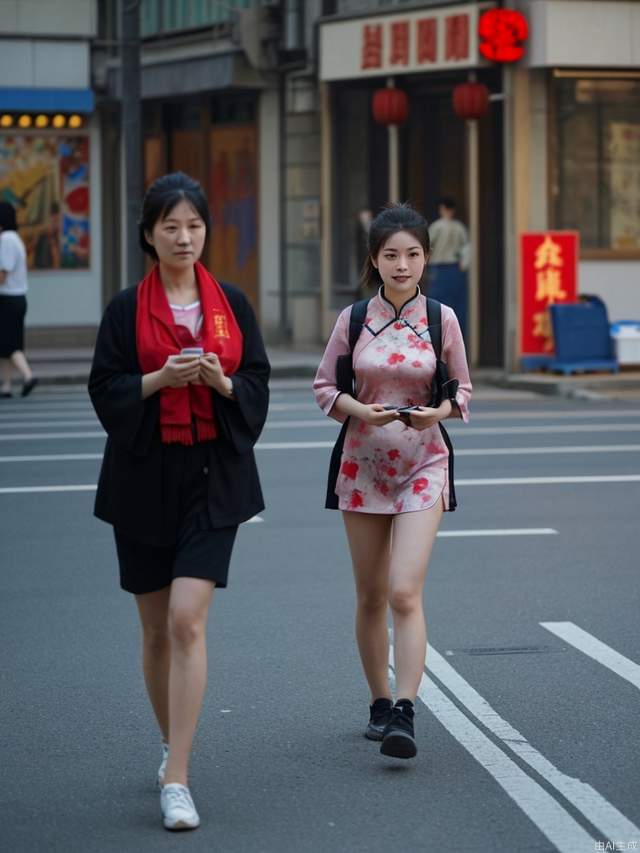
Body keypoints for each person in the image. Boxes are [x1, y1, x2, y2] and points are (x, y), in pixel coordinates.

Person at [88, 172, 270, 831]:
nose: (184, 236)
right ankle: (171, 744)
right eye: (171, 226)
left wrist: (223, 383)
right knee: (156, 626)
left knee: (189, 620)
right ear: (149, 234)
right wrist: (159, 379)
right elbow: (105, 387)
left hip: (213, 476)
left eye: (194, 225)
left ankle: (178, 776)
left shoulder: (234, 304)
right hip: (143, 477)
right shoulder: (123, 309)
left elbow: (257, 383)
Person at [313, 203, 471, 760]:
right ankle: (379, 702)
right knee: (371, 595)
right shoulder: (353, 319)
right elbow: (325, 388)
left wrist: (440, 413)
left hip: (424, 464)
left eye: (412, 254)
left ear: (426, 258)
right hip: (362, 465)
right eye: (390, 255)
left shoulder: (441, 318)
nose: (402, 265)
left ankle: (405, 709)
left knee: (405, 590)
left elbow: (462, 391)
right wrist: (360, 408)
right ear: (374, 261)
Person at [0, 201, 38, 398]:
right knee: (8, 344)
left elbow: (2, 274)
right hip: (18, 299)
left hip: (8, 299)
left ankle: (28, 376)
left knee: (9, 344)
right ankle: (5, 386)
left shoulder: (6, 239)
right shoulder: (16, 239)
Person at [427, 197, 470, 341]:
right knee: (456, 308)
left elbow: (426, 246)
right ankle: (457, 341)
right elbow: (467, 248)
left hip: (438, 269)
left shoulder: (436, 226)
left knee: (437, 308)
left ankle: (438, 341)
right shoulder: (460, 227)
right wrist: (463, 264)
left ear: (442, 209)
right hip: (456, 269)